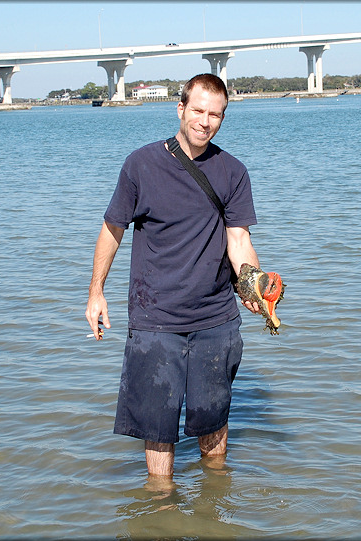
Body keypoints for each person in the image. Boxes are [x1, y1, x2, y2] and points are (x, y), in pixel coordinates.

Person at [85, 73, 264, 477]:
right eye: (198, 110)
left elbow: (239, 241)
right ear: (180, 109)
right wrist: (96, 292)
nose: (205, 121)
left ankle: (215, 505)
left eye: (215, 114)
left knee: (213, 426)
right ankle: (161, 511)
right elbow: (113, 230)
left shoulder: (232, 172)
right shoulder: (140, 165)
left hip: (215, 319)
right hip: (155, 319)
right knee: (158, 430)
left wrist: (254, 283)